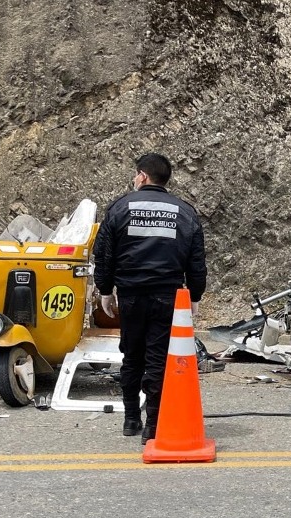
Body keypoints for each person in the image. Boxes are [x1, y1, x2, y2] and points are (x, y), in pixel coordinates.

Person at [93, 153, 207, 443]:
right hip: (166, 296)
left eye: (135, 174)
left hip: (130, 294)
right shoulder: (184, 212)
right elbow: (196, 259)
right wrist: (194, 293)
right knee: (158, 358)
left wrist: (105, 290)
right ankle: (153, 426)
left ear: (142, 176)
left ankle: (131, 419)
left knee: (131, 356)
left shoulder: (120, 207)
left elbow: (104, 254)